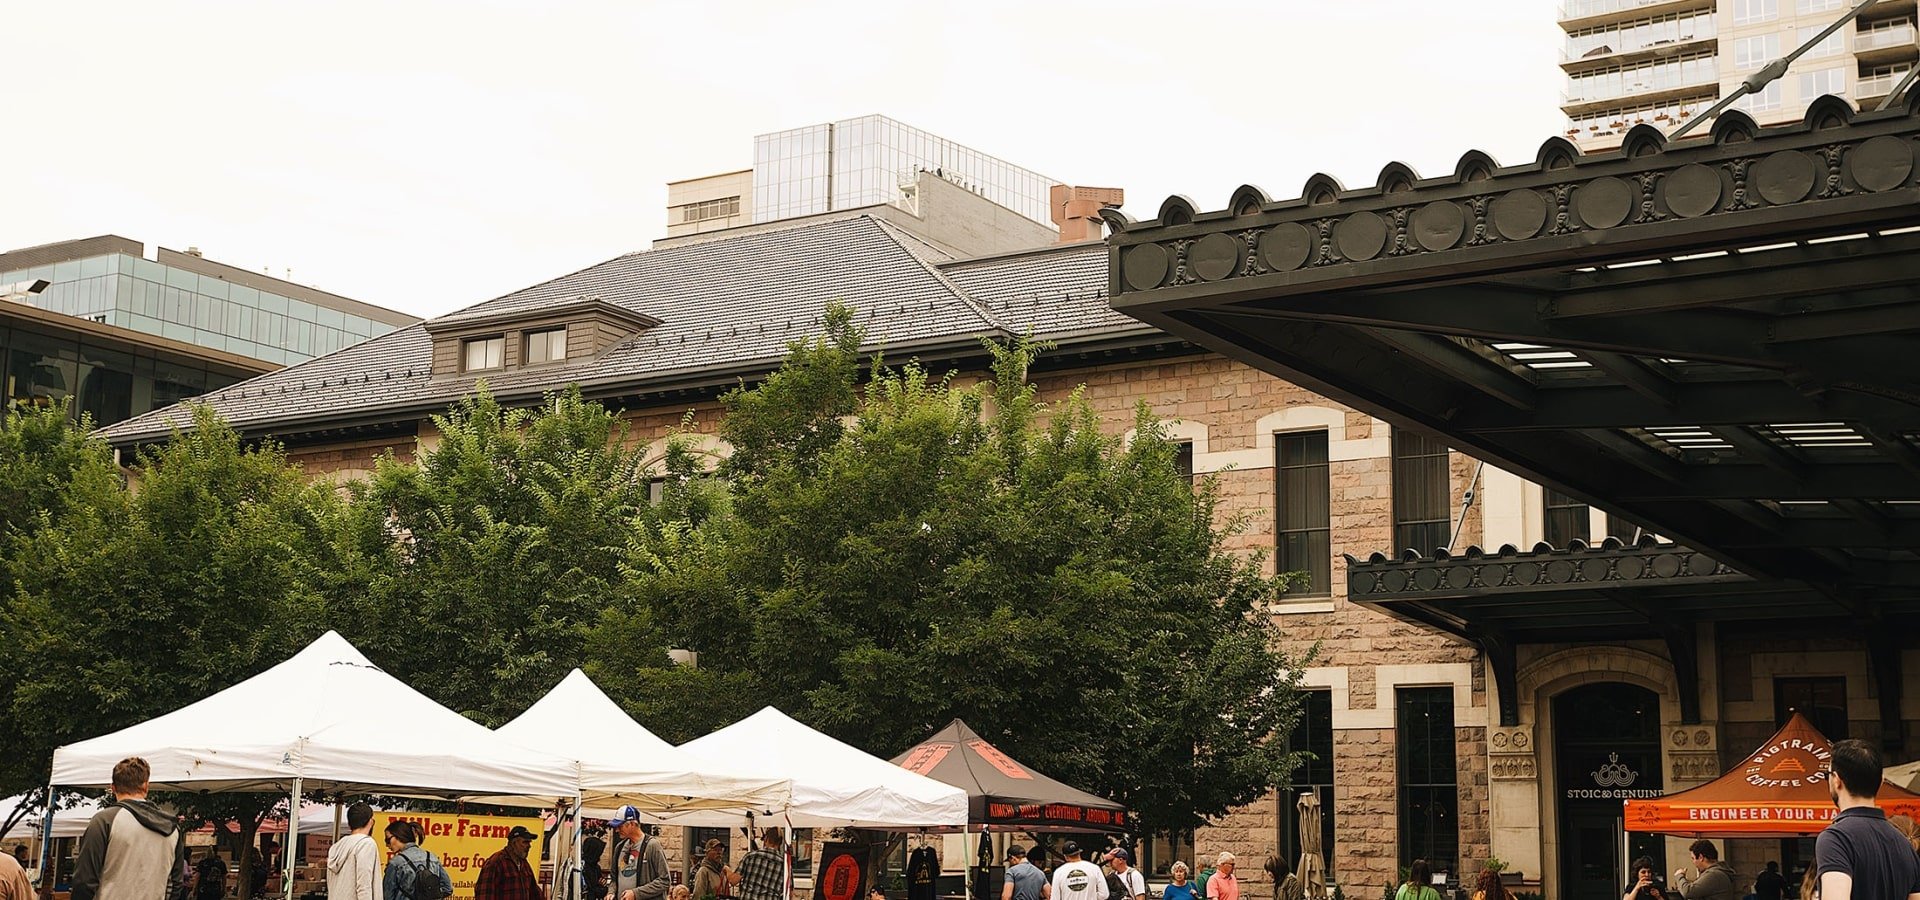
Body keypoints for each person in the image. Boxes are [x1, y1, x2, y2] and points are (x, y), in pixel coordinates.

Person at [1814, 739, 1920, 900]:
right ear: (1881, 781)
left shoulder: (1836, 838)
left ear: (1836, 780)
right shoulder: (1905, 844)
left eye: (1827, 775)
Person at [71, 756, 188, 900]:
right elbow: (176, 885)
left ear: (113, 788)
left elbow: (84, 882)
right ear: (146, 786)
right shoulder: (173, 828)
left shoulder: (104, 821)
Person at [383, 820, 453, 900]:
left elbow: (388, 896)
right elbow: (448, 888)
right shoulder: (432, 857)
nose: (387, 844)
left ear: (399, 836)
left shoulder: (396, 863)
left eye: (388, 840)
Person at [610, 810, 670, 900]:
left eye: (620, 826)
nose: (617, 830)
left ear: (632, 824)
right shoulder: (619, 847)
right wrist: (611, 892)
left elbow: (664, 881)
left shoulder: (652, 845)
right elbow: (614, 879)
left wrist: (636, 893)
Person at [327, 803, 381, 900]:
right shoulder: (366, 844)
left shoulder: (336, 846)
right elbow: (364, 885)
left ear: (349, 824)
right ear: (371, 821)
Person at [477, 826, 544, 900]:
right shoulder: (496, 862)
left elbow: (535, 893)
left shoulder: (524, 864)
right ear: (513, 843)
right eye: (525, 842)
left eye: (529, 842)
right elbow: (484, 894)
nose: (529, 846)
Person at [1673, 840, 1737, 900]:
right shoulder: (1716, 873)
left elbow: (1688, 892)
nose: (1693, 862)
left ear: (1701, 857)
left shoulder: (1714, 875)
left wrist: (1680, 876)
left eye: (1693, 858)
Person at [735, 828, 787, 900]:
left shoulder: (750, 856)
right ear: (780, 843)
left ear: (766, 839)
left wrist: (726, 869)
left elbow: (734, 880)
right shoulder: (784, 865)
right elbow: (789, 892)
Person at [582, 826, 608, 900]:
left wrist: (602, 885)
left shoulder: (594, 866)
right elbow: (592, 890)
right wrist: (603, 888)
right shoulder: (585, 867)